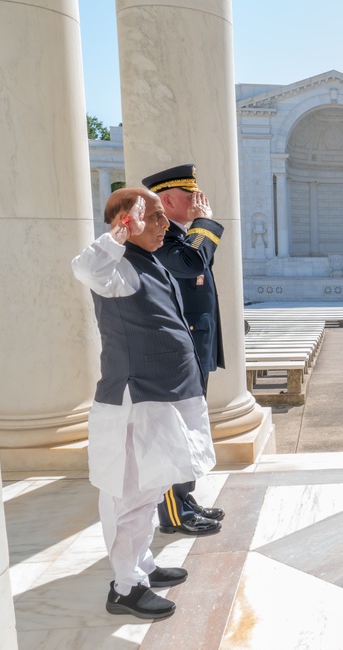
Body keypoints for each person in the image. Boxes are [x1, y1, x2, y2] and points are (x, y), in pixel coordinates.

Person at [72, 187, 216, 619]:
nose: (164, 225)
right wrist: (116, 236)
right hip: (137, 398)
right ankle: (125, 587)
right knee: (129, 495)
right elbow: (86, 268)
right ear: (125, 223)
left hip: (165, 393)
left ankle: (142, 566)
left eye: (161, 216)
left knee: (151, 487)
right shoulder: (114, 267)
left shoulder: (149, 260)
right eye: (153, 217)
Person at [142, 164, 226, 537]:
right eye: (191, 196)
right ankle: (173, 514)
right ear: (167, 199)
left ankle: (185, 499)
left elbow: (200, 264)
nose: (199, 201)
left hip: (195, 340)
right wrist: (204, 224)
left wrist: (198, 230)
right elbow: (193, 262)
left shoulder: (181, 237)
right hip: (181, 346)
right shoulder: (162, 240)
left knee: (190, 427)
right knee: (177, 430)